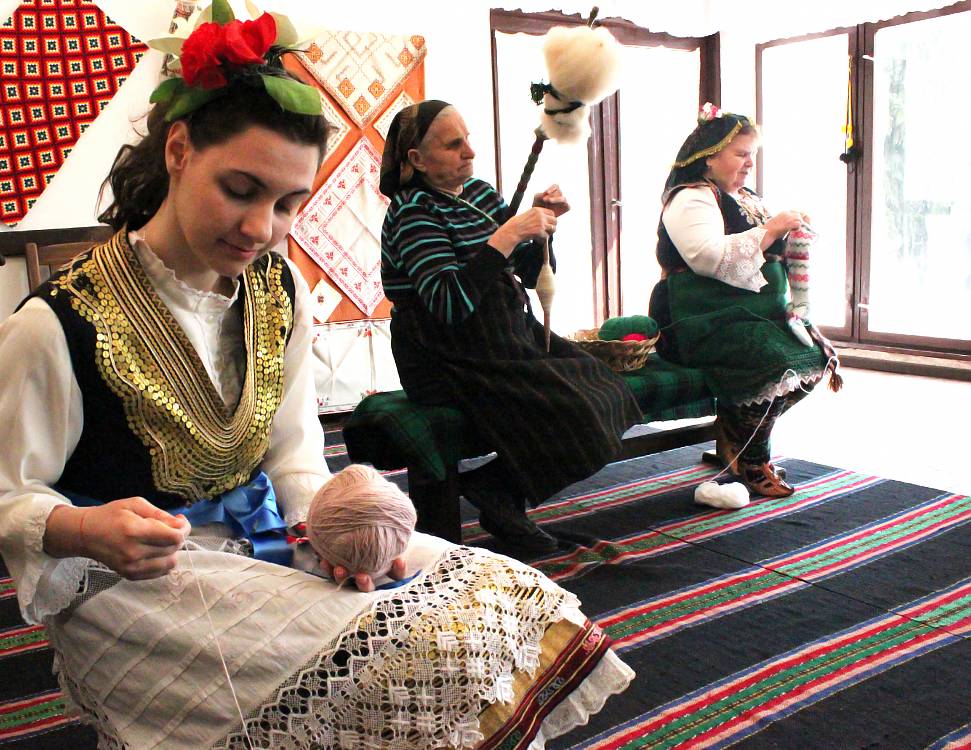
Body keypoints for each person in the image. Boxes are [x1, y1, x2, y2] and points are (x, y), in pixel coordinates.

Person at [0, 6, 634, 748]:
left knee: (508, 598)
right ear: (178, 150)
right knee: (404, 660)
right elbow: (10, 493)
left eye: (287, 204)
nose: (261, 228)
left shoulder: (278, 290)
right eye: (240, 189)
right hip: (131, 582)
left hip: (264, 535)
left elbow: (294, 454)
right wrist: (81, 527)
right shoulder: (53, 323)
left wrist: (333, 534)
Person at [379, 99, 643, 554]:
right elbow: (448, 305)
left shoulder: (480, 195)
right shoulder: (411, 212)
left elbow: (526, 272)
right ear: (417, 160)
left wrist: (543, 228)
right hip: (444, 355)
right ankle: (500, 496)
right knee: (573, 410)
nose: (470, 152)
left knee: (607, 389)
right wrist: (507, 234)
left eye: (467, 139)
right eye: (453, 145)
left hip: (504, 336)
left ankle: (497, 489)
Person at [649, 104, 835, 498]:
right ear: (708, 156)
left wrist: (790, 231)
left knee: (818, 357)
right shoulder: (691, 198)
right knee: (776, 363)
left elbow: (762, 250)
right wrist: (773, 228)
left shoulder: (746, 197)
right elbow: (708, 257)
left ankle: (734, 432)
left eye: (753, 154)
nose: (750, 163)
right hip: (697, 319)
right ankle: (752, 458)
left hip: (748, 315)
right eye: (741, 154)